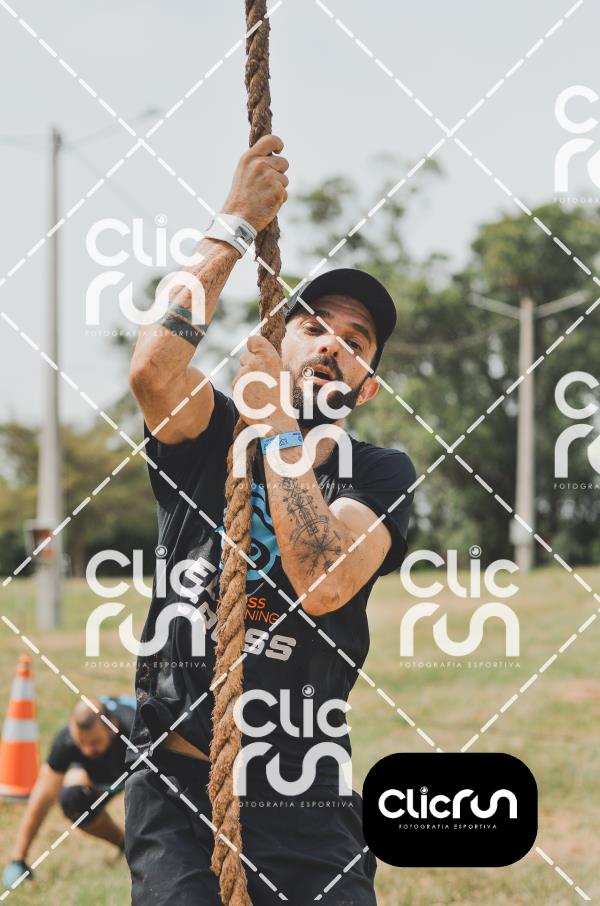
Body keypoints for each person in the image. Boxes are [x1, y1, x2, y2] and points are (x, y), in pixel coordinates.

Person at [126, 135, 416, 905]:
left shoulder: (379, 474)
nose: (331, 345)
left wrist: (282, 432)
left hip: (306, 796)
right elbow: (151, 371)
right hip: (181, 784)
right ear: (275, 340)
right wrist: (235, 222)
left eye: (355, 342)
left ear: (368, 386)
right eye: (313, 325)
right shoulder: (210, 433)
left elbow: (324, 579)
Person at [2, 695, 135, 887]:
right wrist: (18, 859)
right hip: (101, 780)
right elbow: (43, 797)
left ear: (112, 727)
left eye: (95, 742)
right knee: (73, 801)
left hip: (137, 773)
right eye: (81, 743)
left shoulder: (136, 731)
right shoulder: (67, 740)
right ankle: (126, 846)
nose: (87, 750)